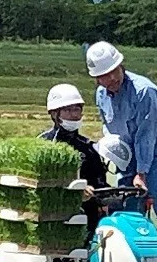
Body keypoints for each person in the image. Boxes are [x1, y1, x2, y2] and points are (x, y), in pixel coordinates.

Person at [85, 41, 157, 262]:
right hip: (127, 153)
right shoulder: (101, 95)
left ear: (121, 65)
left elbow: (147, 134)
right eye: (103, 76)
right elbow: (109, 129)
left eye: (113, 71)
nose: (110, 79)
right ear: (96, 78)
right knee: (127, 203)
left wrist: (141, 173)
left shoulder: (144, 91)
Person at [40, 83, 109, 240]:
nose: (73, 114)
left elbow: (100, 182)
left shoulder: (88, 147)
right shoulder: (44, 144)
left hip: (89, 218)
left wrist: (100, 194)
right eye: (68, 110)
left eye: (77, 109)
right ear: (54, 114)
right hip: (55, 219)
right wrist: (75, 192)